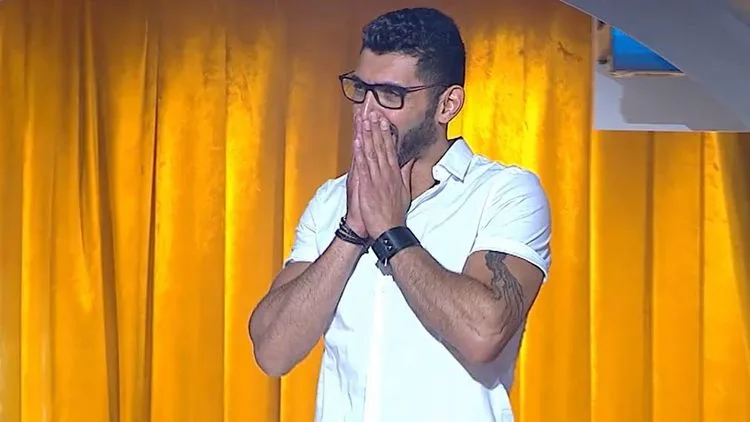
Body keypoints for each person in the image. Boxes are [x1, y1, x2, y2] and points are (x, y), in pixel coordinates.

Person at [248, 7, 551, 422]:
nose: (367, 112)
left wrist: (390, 230)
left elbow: (484, 332)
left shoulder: (503, 193)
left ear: (447, 104)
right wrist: (353, 231)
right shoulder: (332, 201)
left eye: (391, 95)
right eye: (361, 89)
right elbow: (271, 351)